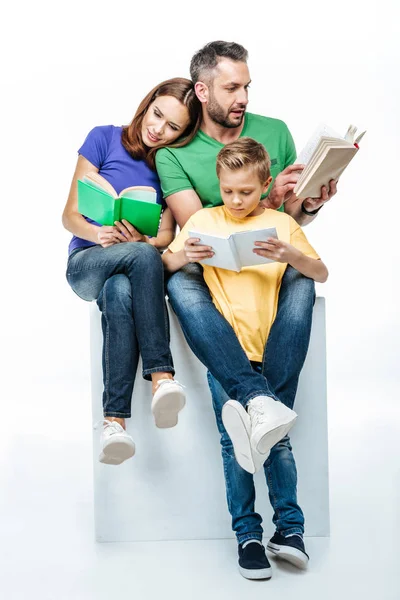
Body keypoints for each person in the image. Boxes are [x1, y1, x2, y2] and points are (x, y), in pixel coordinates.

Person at [155, 41, 337, 578]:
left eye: (246, 86)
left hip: (272, 303)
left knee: (302, 280)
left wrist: (304, 201)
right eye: (232, 87)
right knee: (246, 434)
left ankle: (291, 527)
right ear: (203, 90)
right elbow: (181, 246)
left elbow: (299, 235)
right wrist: (179, 251)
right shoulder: (179, 159)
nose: (242, 97)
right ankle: (249, 534)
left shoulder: (273, 139)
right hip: (224, 316)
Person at [62, 78, 201, 466]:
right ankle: (162, 378)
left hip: (124, 274)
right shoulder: (103, 138)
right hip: (87, 262)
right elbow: (69, 216)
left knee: (121, 291)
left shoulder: (169, 165)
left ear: (184, 133)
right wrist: (102, 235)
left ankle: (114, 424)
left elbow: (166, 235)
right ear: (149, 102)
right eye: (158, 115)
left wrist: (142, 238)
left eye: (173, 127)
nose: (158, 129)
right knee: (141, 257)